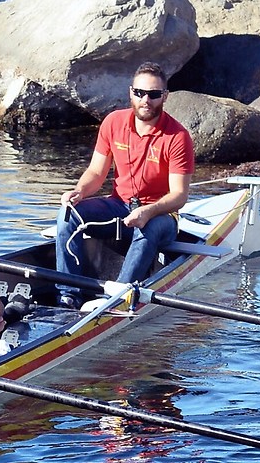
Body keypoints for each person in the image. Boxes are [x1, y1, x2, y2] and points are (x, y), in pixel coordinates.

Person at [55, 63, 194, 295]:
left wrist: (147, 211)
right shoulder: (113, 122)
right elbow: (96, 173)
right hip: (119, 206)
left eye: (154, 94)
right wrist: (79, 191)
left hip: (161, 217)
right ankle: (68, 295)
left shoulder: (178, 137)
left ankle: (116, 296)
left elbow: (179, 196)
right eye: (139, 93)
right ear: (131, 92)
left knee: (147, 227)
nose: (145, 100)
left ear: (165, 96)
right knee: (67, 216)